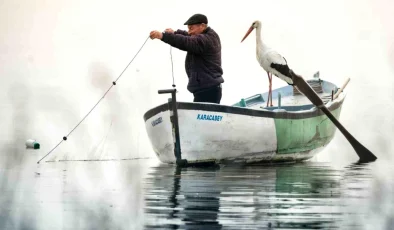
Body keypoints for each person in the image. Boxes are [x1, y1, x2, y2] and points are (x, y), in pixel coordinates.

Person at [149, 13, 224, 104]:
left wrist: (163, 36)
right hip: (206, 89)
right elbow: (188, 36)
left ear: (202, 26)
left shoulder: (206, 39)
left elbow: (186, 41)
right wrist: (175, 33)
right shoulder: (206, 35)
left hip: (208, 90)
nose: (189, 31)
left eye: (191, 28)